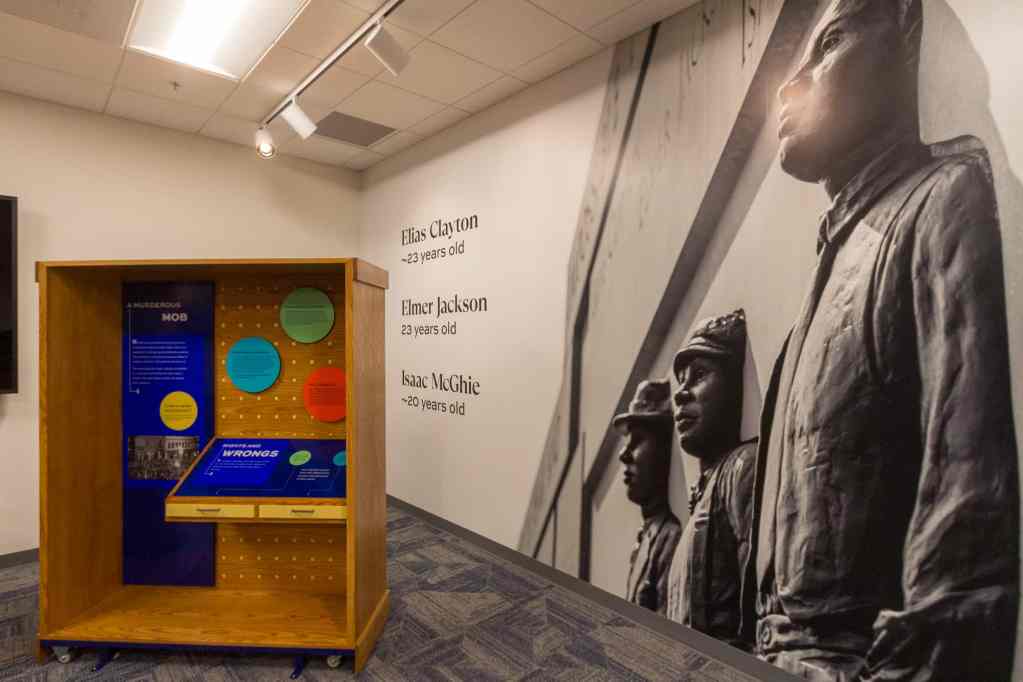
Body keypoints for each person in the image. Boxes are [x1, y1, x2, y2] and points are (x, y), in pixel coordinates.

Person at [743, 1, 1020, 679]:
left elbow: (966, 500)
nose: (790, 83)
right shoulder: (830, 259)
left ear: (900, 42)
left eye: (830, 43)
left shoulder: (939, 198)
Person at [664, 310, 756, 650]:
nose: (681, 394)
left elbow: (763, 607)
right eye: (681, 381)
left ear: (734, 386)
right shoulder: (701, 496)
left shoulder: (742, 468)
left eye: (699, 375)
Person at [614, 379, 682, 614]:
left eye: (638, 441)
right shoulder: (646, 539)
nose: (624, 455)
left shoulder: (669, 537)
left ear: (663, 448)